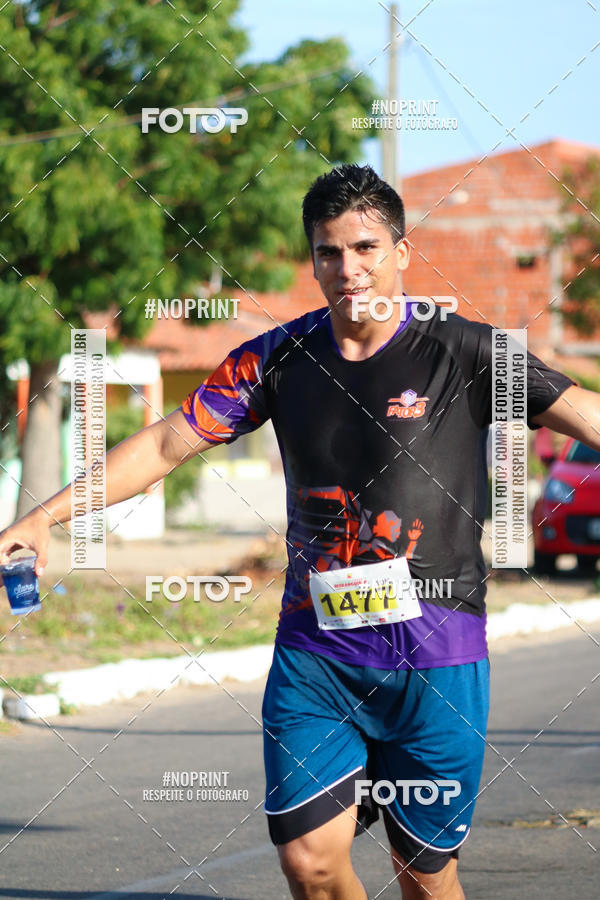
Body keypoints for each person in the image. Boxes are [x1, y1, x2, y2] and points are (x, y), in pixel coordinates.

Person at [2, 164, 599, 900]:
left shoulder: (469, 352)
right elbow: (163, 444)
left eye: (366, 248)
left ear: (402, 252)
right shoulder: (276, 359)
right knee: (310, 864)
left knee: (425, 874)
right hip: (318, 655)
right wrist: (44, 515)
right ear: (313, 261)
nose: (349, 269)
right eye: (329, 252)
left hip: (436, 659)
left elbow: (586, 413)